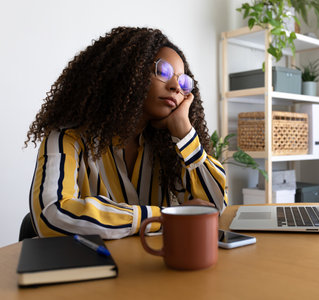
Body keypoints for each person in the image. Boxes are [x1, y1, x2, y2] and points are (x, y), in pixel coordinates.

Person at [25, 27, 227, 239]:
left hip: (158, 268)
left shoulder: (168, 144)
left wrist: (184, 131)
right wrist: (164, 217)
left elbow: (214, 208)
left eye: (184, 82)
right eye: (163, 71)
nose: (176, 86)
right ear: (128, 72)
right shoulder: (67, 137)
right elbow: (51, 214)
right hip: (95, 268)